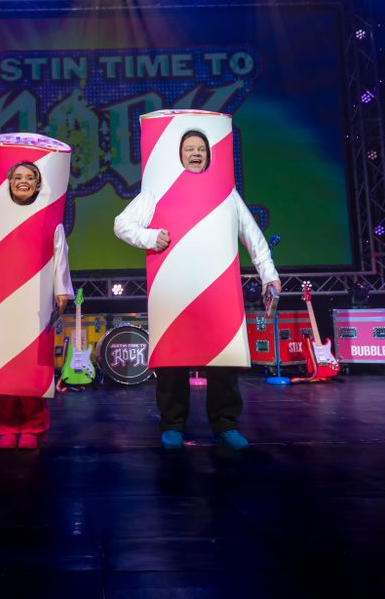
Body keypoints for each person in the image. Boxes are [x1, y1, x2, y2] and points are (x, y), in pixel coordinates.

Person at [114, 129, 280, 451]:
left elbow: (252, 236)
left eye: (200, 148)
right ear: (178, 155)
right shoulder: (155, 191)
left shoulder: (225, 191)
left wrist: (268, 274)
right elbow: (122, 224)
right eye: (188, 148)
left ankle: (225, 425)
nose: (195, 153)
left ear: (209, 154)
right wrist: (150, 237)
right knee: (173, 363)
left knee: (223, 363)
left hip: (217, 292)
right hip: (175, 291)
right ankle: (173, 425)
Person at [0, 161, 73, 449]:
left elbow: (60, 254)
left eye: (30, 178)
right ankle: (6, 427)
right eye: (18, 177)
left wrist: (62, 291)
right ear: (8, 182)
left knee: (30, 366)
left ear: (38, 185)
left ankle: (34, 429)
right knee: (0, 366)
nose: (23, 181)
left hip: (33, 302)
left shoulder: (50, 217)